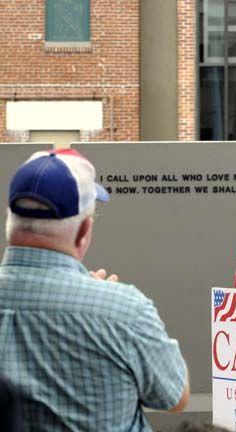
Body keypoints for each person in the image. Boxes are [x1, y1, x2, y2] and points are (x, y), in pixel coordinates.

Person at [0, 149, 189, 431]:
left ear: (9, 219)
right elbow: (175, 397)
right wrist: (103, 301)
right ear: (84, 229)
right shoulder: (124, 311)